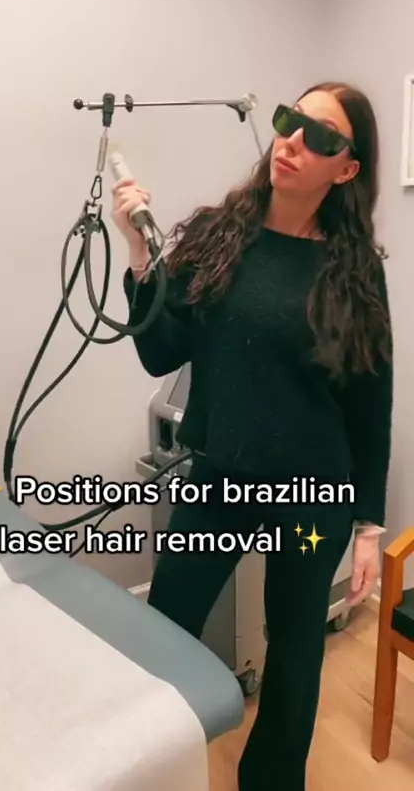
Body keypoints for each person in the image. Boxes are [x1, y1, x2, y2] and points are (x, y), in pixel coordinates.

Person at [111, 81, 393, 791]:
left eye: (320, 136)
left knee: (295, 652)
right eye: (290, 121)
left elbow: (370, 403)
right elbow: (159, 352)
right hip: (221, 479)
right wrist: (140, 258)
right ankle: (155, 768)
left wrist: (368, 526)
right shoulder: (217, 234)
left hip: (313, 494)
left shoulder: (355, 270)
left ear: (347, 169)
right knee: (166, 624)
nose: (292, 141)